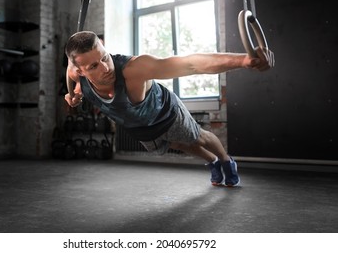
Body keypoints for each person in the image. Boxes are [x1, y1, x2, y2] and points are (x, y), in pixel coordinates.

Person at [64, 31, 275, 187]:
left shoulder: (135, 69)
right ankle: (212, 161)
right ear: (80, 71)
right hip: (142, 128)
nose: (105, 67)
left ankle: (226, 161)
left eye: (104, 57)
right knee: (179, 144)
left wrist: (244, 60)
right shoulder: (77, 77)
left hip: (167, 113)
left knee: (197, 138)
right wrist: (74, 96)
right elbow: (70, 77)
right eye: (93, 66)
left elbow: (191, 64)